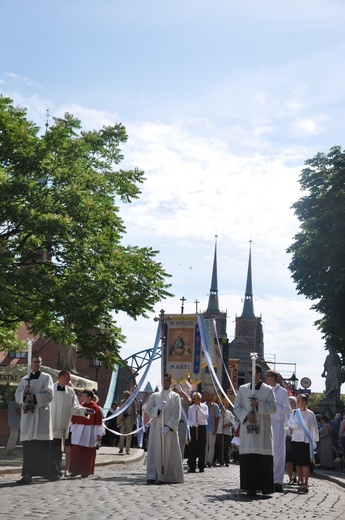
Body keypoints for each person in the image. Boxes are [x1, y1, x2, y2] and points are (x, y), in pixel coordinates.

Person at [234, 364, 277, 497]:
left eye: (251, 373)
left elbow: (273, 408)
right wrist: (247, 415)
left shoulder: (268, 390)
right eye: (248, 373)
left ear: (259, 375)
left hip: (263, 430)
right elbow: (237, 407)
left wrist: (259, 406)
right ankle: (250, 487)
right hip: (248, 430)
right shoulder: (242, 389)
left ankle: (265, 487)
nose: (249, 375)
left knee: (262, 458)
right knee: (249, 458)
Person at [15, 353, 54, 484]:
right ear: (30, 363)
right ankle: (27, 474)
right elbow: (17, 396)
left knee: (39, 447)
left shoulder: (46, 377)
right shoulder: (24, 379)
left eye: (39, 362)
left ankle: (42, 473)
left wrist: (35, 397)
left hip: (40, 417)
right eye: (35, 361)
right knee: (28, 448)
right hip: (28, 418)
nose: (37, 364)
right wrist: (25, 394)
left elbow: (49, 395)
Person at [49, 370, 95, 479]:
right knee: (52, 449)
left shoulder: (70, 391)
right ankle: (52, 471)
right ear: (60, 377)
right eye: (67, 378)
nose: (69, 380)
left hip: (64, 424)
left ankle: (57, 471)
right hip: (52, 423)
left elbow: (74, 407)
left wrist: (84, 411)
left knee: (61, 449)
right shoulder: (50, 389)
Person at [146, 373, 184, 484]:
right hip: (156, 428)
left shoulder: (175, 396)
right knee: (154, 451)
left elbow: (177, 414)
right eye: (164, 380)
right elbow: (148, 410)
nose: (165, 382)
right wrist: (157, 408)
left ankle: (166, 476)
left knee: (168, 452)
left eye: (167, 380)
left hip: (168, 430)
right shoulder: (155, 396)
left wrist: (168, 426)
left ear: (171, 382)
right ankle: (152, 475)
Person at [265, 369, 292, 491]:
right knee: (267, 451)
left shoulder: (282, 392)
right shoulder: (264, 389)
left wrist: (276, 408)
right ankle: (267, 479)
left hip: (278, 424)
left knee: (279, 452)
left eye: (268, 376)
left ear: (273, 378)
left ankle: (278, 481)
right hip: (266, 423)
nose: (266, 378)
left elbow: (288, 409)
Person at [287, 394, 319, 493]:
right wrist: (294, 426)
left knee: (306, 463)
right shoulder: (294, 412)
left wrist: (314, 441)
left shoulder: (310, 414)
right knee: (298, 462)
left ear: (304, 402)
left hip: (306, 440)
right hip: (296, 439)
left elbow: (314, 428)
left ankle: (305, 483)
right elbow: (289, 424)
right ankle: (300, 482)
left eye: (299, 401)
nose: (298, 403)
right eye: (297, 401)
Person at [69, 390, 104, 478]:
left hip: (89, 432)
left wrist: (98, 434)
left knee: (87, 452)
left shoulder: (95, 408)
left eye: (84, 396)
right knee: (76, 451)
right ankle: (74, 470)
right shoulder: (80, 406)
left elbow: (98, 422)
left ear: (89, 397)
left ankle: (85, 471)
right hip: (78, 431)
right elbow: (74, 419)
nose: (82, 397)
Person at [187, 391, 208, 473]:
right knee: (192, 448)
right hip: (194, 428)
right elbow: (189, 419)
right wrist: (193, 423)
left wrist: (199, 409)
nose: (195, 400)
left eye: (197, 399)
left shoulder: (205, 407)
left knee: (201, 447)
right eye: (194, 399)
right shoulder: (191, 408)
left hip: (202, 427)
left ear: (200, 399)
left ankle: (201, 466)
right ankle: (192, 466)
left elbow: (206, 416)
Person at [173, 383, 192, 459]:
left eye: (178, 389)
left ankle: (179, 465)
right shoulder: (172, 399)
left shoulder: (183, 399)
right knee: (172, 445)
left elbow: (188, 401)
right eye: (175, 389)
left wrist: (181, 391)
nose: (176, 390)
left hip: (181, 424)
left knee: (180, 445)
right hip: (172, 423)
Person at [215, 400, 236, 467]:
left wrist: (226, 425)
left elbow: (232, 423)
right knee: (220, 447)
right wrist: (221, 413)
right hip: (219, 432)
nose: (224, 406)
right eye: (223, 404)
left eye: (226, 404)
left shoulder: (229, 413)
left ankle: (227, 461)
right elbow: (216, 420)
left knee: (226, 447)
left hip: (227, 432)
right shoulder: (219, 412)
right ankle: (221, 461)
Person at [117, 390, 137, 455]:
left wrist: (135, 421)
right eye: (125, 395)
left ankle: (127, 449)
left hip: (130, 418)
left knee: (129, 434)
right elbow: (119, 411)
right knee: (122, 433)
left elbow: (135, 412)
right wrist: (118, 420)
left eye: (127, 395)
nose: (126, 396)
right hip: (123, 418)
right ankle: (121, 448)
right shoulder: (122, 402)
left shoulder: (133, 402)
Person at [204, 391, 220, 468]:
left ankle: (209, 461)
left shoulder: (215, 406)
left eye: (209, 396)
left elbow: (217, 418)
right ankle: (205, 459)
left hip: (212, 428)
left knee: (211, 445)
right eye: (206, 396)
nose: (207, 397)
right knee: (205, 445)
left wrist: (215, 429)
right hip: (204, 428)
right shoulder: (203, 405)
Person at [285, 396, 297, 484]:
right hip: (287, 437)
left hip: (297, 438)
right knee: (288, 459)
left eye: (292, 402)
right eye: (288, 402)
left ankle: (296, 475)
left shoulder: (298, 413)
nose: (290, 404)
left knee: (296, 459)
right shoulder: (285, 413)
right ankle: (291, 478)